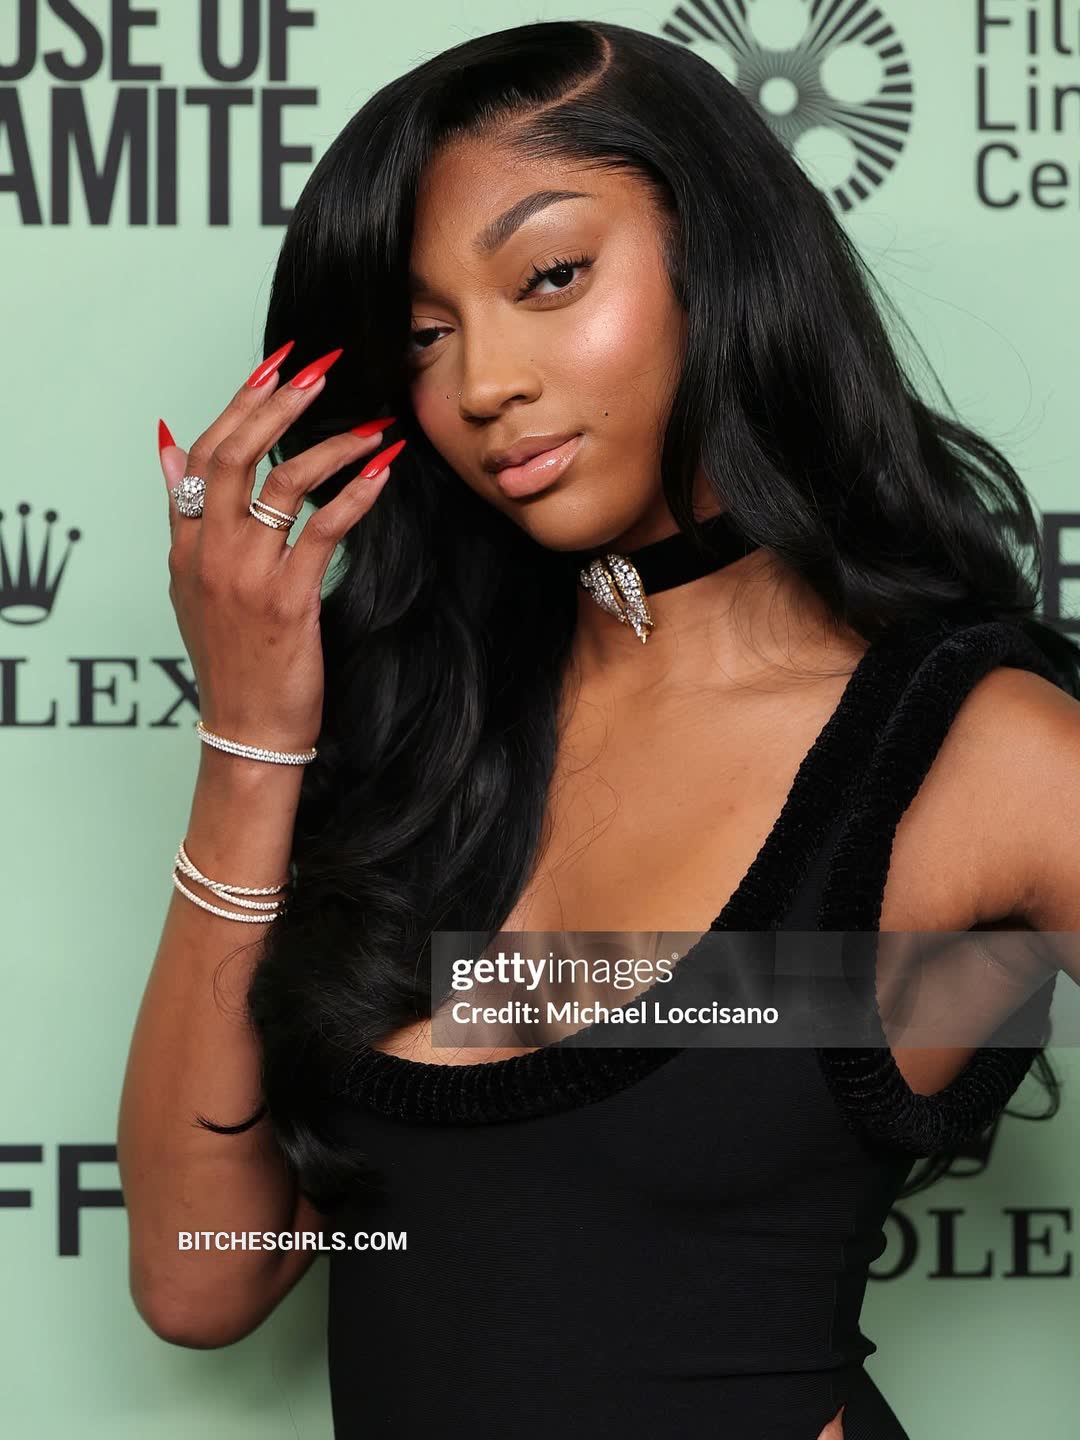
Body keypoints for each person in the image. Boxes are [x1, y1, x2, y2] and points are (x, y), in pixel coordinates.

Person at [117, 19, 1080, 1439]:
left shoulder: (975, 755)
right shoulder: (430, 749)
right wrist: (253, 738)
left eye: (551, 277)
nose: (482, 384)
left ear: (721, 259)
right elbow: (203, 1274)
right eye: (426, 336)